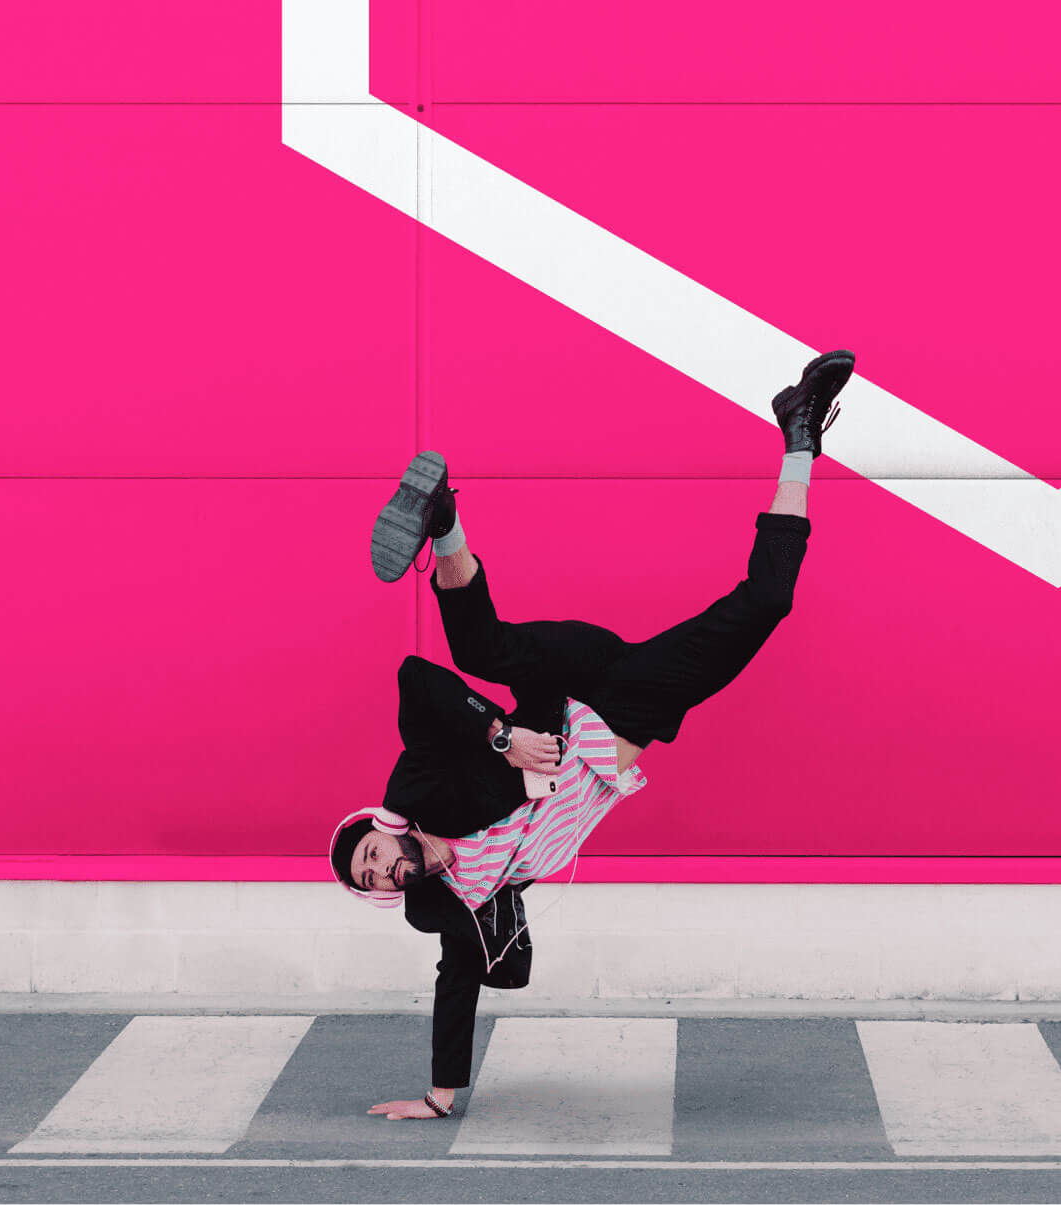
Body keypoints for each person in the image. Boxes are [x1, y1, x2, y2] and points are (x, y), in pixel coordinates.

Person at [329, 350, 855, 1121]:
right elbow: (459, 979)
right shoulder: (461, 895)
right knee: (767, 601)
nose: (381, 871)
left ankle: (445, 520)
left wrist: (501, 737)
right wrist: (439, 1097)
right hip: (632, 708)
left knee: (480, 652)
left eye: (371, 855)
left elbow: (415, 678)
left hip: (561, 690)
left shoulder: (417, 792)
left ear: (381, 829)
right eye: (371, 879)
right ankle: (800, 434)